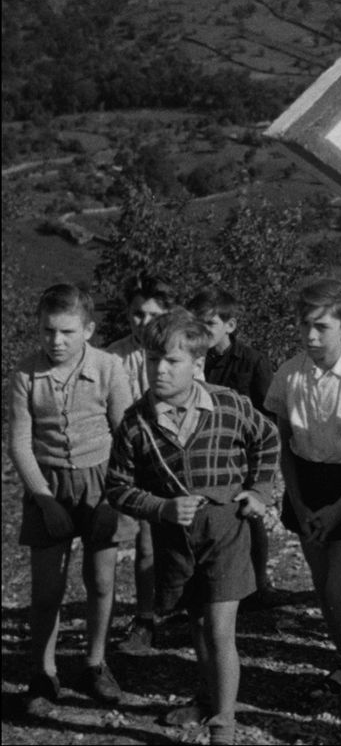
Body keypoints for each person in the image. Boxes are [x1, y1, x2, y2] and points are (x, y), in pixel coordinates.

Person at [106, 309, 279, 746]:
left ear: (197, 364)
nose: (159, 371)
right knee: (198, 622)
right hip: (175, 537)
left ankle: (224, 724)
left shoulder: (229, 404)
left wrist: (260, 491)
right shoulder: (135, 422)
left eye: (172, 362)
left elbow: (269, 438)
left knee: (221, 627)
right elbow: (117, 488)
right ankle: (208, 697)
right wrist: (161, 508)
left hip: (226, 528)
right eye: (152, 361)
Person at [264, 278, 341, 726]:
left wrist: (337, 509)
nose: (311, 337)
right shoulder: (289, 373)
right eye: (304, 326)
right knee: (322, 589)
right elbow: (284, 444)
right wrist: (297, 502)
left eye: (321, 327)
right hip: (306, 485)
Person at [9, 284, 133, 715]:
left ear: (89, 330)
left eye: (66, 332)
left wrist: (112, 500)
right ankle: (43, 673)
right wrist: (45, 501)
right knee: (47, 590)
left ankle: (96, 663)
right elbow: (21, 445)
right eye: (47, 331)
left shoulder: (109, 367)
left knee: (100, 582)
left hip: (102, 484)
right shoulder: (26, 374)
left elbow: (127, 438)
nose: (56, 342)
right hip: (47, 486)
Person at [185, 286, 289, 611]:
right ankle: (202, 590)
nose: (201, 332)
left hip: (241, 456)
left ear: (230, 325)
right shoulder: (188, 361)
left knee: (249, 518)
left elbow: (268, 417)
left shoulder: (253, 362)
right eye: (196, 324)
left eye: (209, 325)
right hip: (203, 455)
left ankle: (259, 584)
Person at [106, 273, 179, 653]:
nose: (143, 322)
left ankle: (182, 610)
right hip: (133, 457)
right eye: (136, 314)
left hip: (173, 453)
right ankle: (145, 618)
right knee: (145, 541)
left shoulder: (179, 353)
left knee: (183, 538)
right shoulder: (113, 357)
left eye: (152, 314)